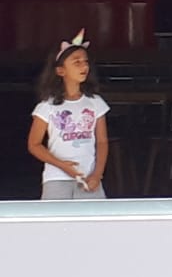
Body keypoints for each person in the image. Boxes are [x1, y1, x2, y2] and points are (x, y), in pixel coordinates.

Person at [26, 30, 110, 201]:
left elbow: (102, 141)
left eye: (85, 62)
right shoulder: (47, 106)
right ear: (60, 71)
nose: (84, 66)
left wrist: (97, 174)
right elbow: (34, 144)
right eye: (76, 62)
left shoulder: (95, 102)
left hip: (88, 178)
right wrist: (62, 166)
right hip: (56, 179)